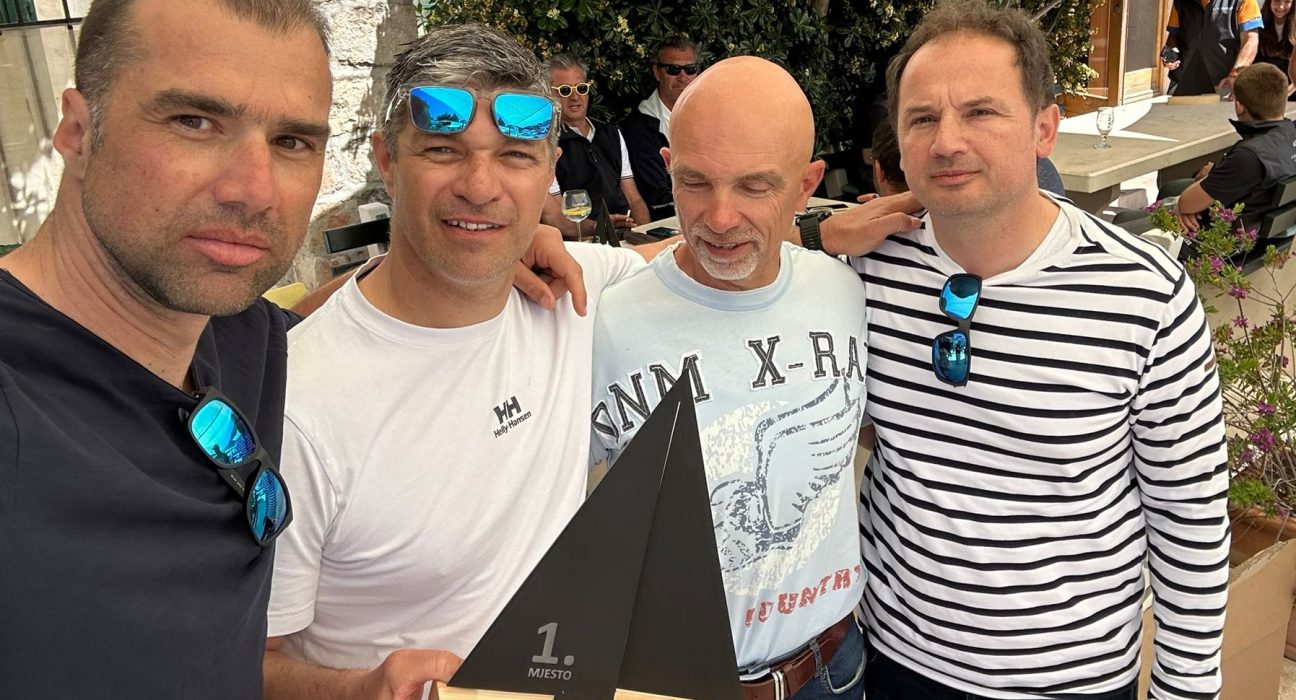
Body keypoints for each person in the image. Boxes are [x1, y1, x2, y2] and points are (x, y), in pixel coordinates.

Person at [260, 24, 662, 700]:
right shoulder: (298, 407)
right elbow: (238, 661)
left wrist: (818, 230)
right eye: (444, 150)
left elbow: (692, 256)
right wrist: (361, 690)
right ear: (388, 161)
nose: (480, 186)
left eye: (515, 156)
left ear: (550, 168)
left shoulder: (573, 291)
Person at [855, 2, 1229, 699]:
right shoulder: (866, 267)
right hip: (892, 662)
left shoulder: (1143, 297)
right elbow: (722, 249)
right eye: (922, 118)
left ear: (1044, 129)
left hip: (1069, 678)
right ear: (897, 143)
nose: (946, 141)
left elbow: (1191, 518)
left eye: (981, 112)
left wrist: (1185, 687)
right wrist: (810, 239)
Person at [0, 0, 333, 696]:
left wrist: (491, 259)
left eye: (291, 141)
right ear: (78, 131)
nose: (254, 192)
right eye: (194, 121)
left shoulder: (241, 336)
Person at [590, 57, 869, 700]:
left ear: (807, 185)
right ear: (667, 167)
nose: (719, 218)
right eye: (695, 182)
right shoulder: (603, 320)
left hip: (831, 669)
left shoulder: (845, 291)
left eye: (754, 186)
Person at [1175, 62, 1296, 234]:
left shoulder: (1249, 156)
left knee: (1136, 216)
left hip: (1222, 241)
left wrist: (1210, 176)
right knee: (1172, 188)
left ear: (1239, 106)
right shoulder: (1291, 133)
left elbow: (1186, 203)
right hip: (1269, 232)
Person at [539, 53, 651, 238]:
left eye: (581, 88)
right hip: (582, 242)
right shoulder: (545, 144)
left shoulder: (612, 134)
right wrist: (601, 227)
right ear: (547, 95)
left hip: (625, 235)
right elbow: (557, 218)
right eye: (565, 90)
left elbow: (634, 198)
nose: (575, 96)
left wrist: (645, 235)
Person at [621, 34, 700, 222]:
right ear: (657, 72)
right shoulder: (639, 128)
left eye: (690, 69)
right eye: (673, 69)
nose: (683, 77)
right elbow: (657, 195)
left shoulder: (711, 114)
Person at [1163, 0, 1263, 96]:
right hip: (1183, 84)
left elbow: (1250, 41)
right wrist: (1169, 54)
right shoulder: (1180, 2)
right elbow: (1173, 36)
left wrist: (1235, 74)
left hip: (1223, 86)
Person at [1257, 0, 1296, 93]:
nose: (1281, 7)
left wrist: (1288, 92)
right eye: (1277, 0)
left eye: (1287, 1)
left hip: (1292, 86)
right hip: (1264, 85)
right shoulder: (1258, 22)